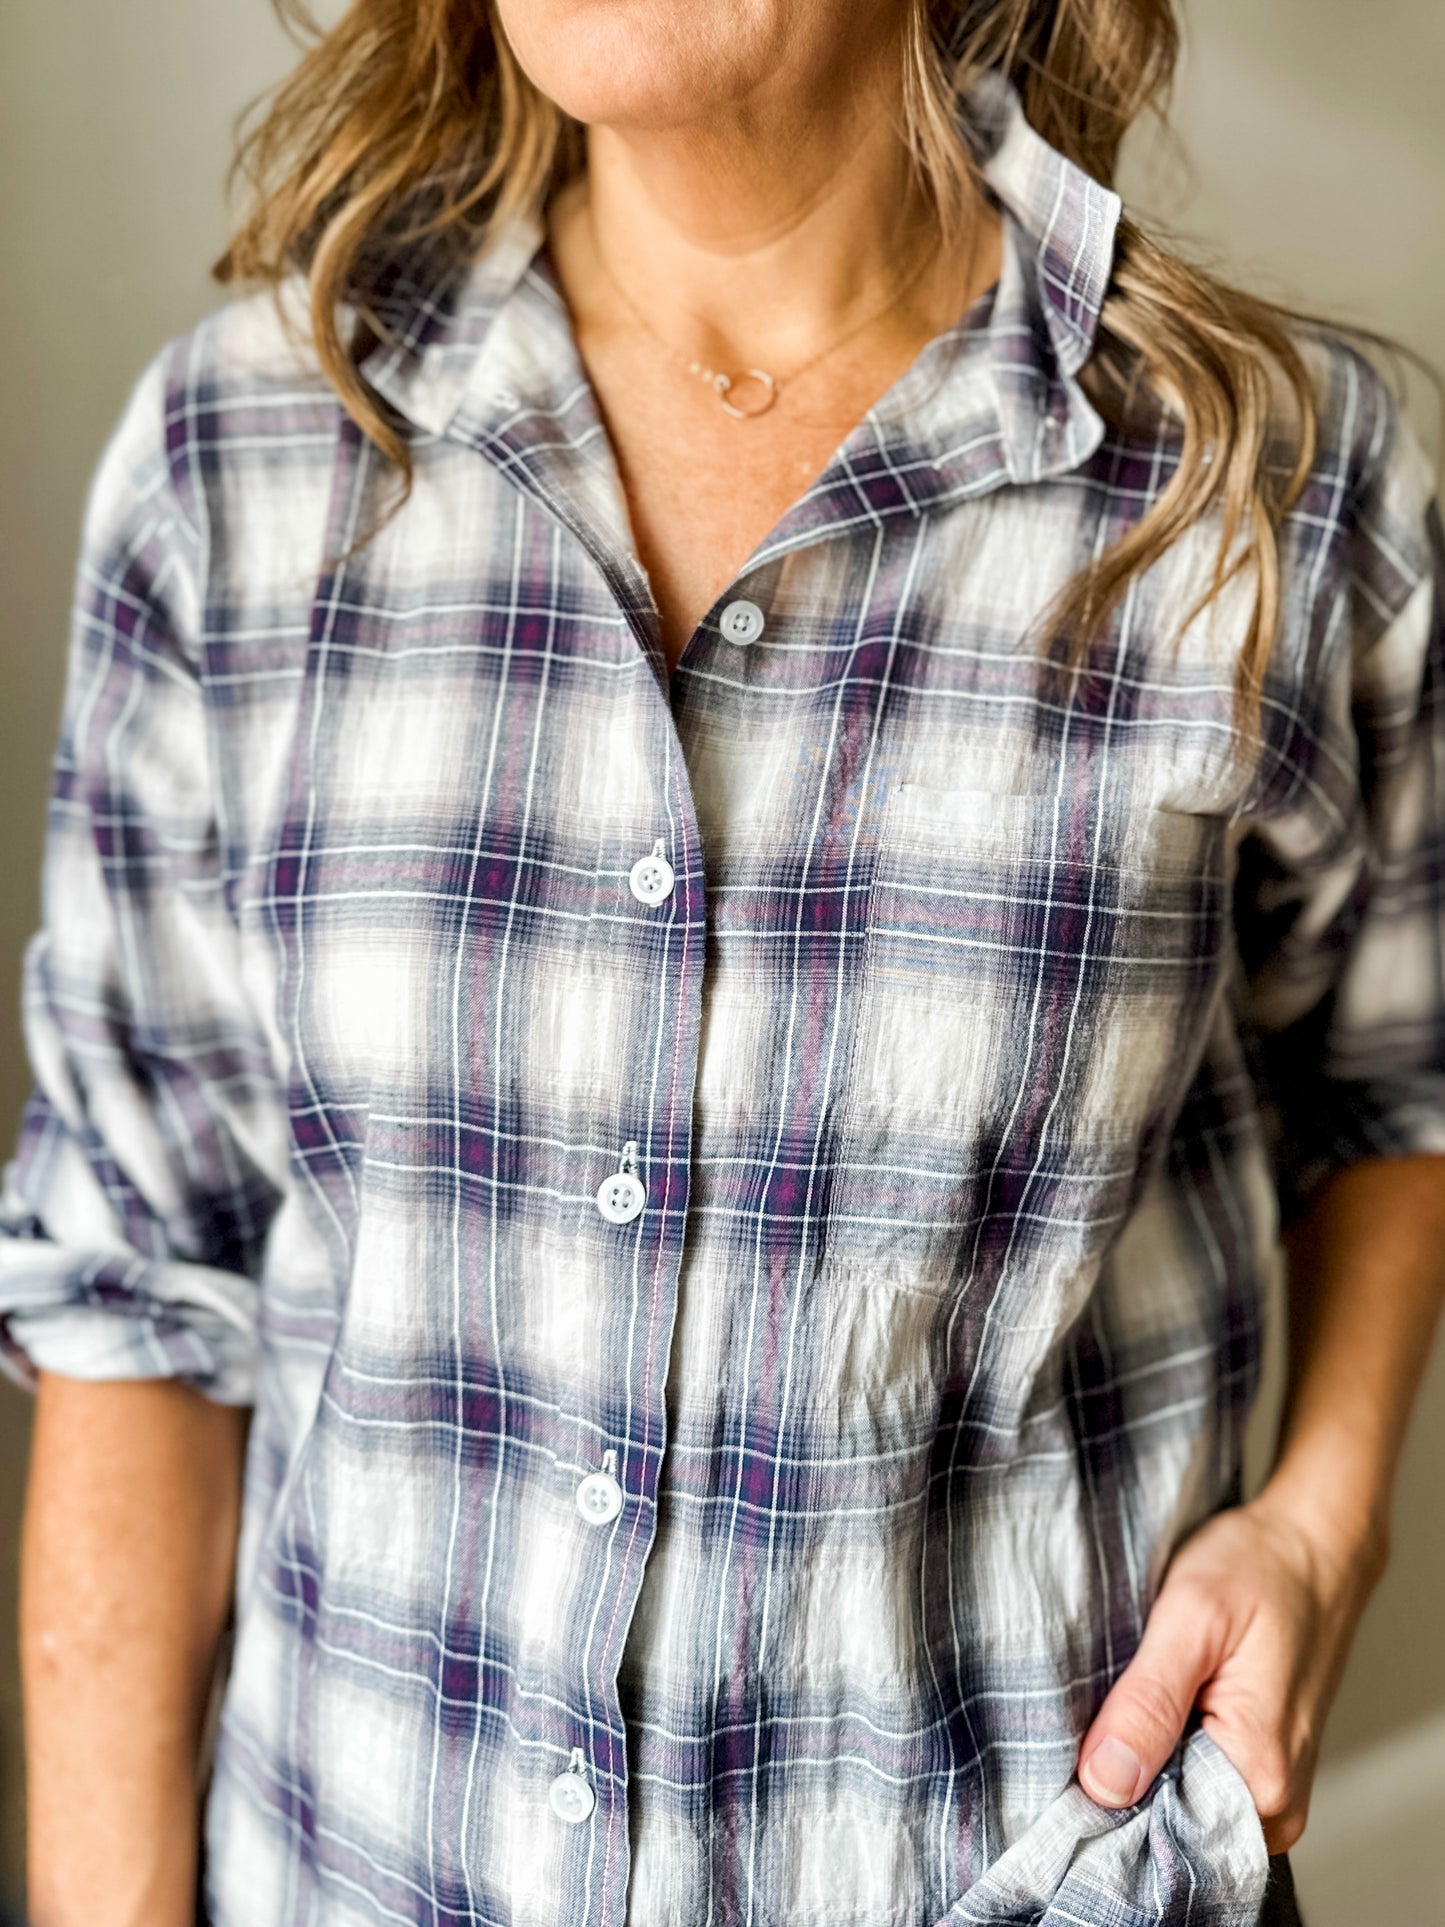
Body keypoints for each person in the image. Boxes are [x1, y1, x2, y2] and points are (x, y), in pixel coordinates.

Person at [5, 0, 1444, 1921]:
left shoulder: (1268, 487)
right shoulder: (240, 465)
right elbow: (136, 1281)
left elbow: (1398, 1078)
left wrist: (1323, 1530)